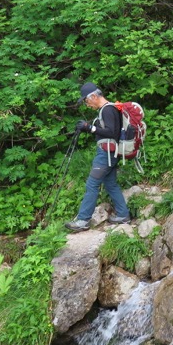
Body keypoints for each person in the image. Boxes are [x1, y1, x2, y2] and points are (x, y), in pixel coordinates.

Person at [65, 81, 131, 232]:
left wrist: (90, 128)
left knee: (92, 184)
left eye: (86, 101)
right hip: (111, 154)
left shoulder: (107, 110)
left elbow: (112, 132)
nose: (87, 104)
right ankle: (123, 215)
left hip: (106, 154)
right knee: (111, 184)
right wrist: (91, 127)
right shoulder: (110, 108)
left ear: (93, 96)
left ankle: (83, 220)